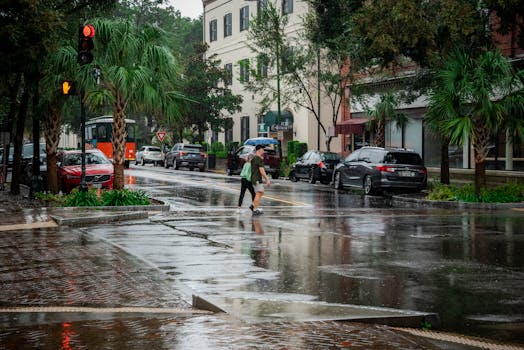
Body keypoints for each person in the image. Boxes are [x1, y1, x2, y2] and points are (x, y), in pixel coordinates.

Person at [251, 144, 270, 215]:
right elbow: (261, 170)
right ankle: (255, 209)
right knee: (259, 192)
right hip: (257, 178)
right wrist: (267, 179)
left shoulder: (254, 158)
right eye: (263, 149)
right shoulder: (258, 159)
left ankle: (253, 205)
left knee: (260, 192)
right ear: (259, 150)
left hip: (254, 178)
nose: (263, 151)